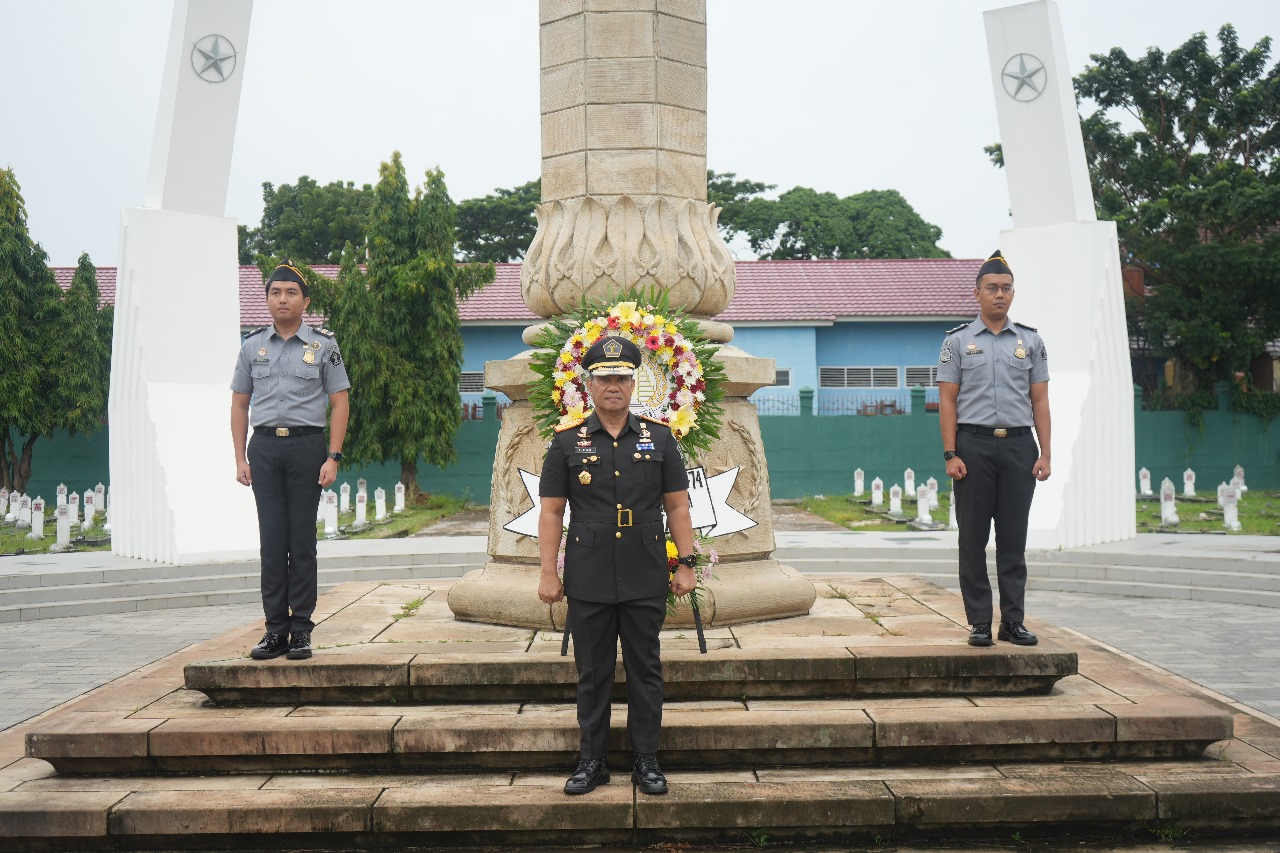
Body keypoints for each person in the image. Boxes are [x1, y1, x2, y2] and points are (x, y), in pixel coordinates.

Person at [536, 335, 698, 796]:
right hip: (588, 574)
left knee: (646, 668)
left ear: (634, 384)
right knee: (593, 671)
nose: (613, 386)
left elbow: (678, 508)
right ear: (589, 384)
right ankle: (593, 761)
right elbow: (550, 512)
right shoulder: (567, 444)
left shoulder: (660, 439)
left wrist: (686, 563)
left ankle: (647, 759)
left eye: (622, 378)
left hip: (645, 570)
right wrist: (549, 573)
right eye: (605, 378)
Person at [230, 262, 350, 661]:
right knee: (271, 541)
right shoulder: (251, 347)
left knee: (301, 541)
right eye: (276, 292)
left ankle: (301, 629)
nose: (283, 299)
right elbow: (240, 403)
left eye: (291, 293)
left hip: (306, 448)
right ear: (266, 300)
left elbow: (339, 402)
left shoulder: (323, 345)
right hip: (263, 449)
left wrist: (333, 456)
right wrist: (239, 457)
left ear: (305, 301)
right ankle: (273, 630)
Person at [937, 250, 1051, 648]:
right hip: (973, 446)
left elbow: (1040, 401)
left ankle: (1013, 622)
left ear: (1013, 294)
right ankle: (980, 622)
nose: (999, 295)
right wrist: (951, 454)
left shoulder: (1031, 342)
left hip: (1020, 446)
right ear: (977, 293)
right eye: (991, 288)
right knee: (971, 537)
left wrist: (1045, 453)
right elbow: (947, 400)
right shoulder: (957, 342)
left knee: (1014, 539)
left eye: (1005, 289)